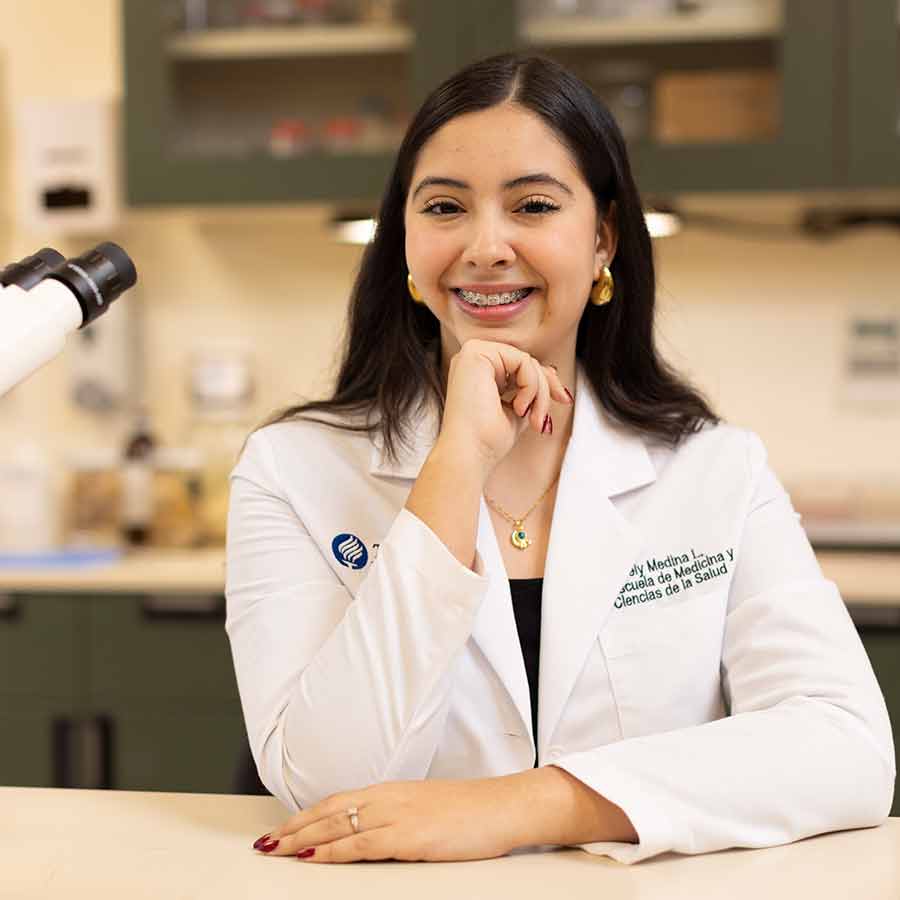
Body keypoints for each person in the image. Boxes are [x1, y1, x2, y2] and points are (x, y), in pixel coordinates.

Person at [225, 52, 895, 866]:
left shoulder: (715, 469)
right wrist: (456, 459)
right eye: (444, 207)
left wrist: (528, 806)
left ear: (604, 235)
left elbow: (849, 749)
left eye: (533, 205)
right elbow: (323, 782)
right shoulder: (293, 469)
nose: (484, 246)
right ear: (405, 241)